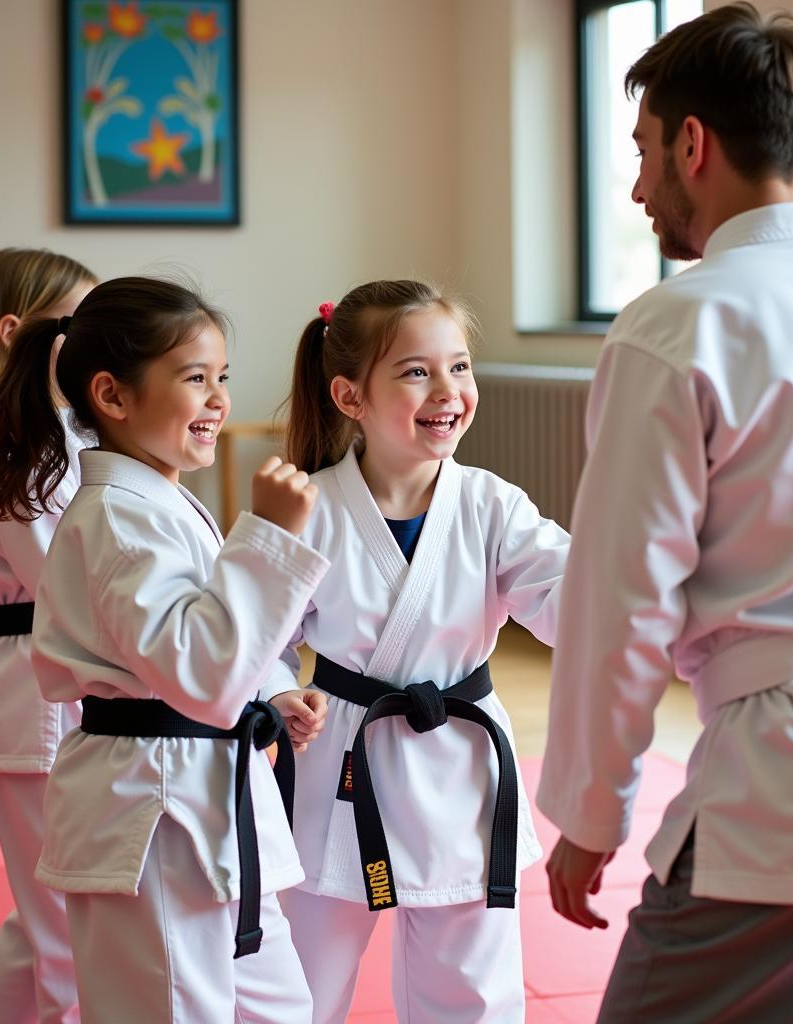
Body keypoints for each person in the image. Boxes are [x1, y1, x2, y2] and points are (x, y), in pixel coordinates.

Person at [537, 3, 793, 1022]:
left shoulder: (676, 325)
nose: (637, 189)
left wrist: (593, 812)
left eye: (641, 154)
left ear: (694, 143)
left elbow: (623, 599)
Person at [0, 276, 330, 1023]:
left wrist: (270, 692)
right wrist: (267, 537)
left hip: (206, 792)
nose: (219, 399)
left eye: (222, 377)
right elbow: (196, 669)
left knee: (278, 1006)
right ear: (113, 395)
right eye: (195, 378)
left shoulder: (158, 500)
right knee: (170, 1008)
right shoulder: (115, 517)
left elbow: (208, 632)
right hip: (156, 813)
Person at [266, 279, 570, 1023]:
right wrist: (275, 690)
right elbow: (256, 635)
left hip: (461, 764)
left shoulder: (493, 505)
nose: (448, 390)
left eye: (460, 366)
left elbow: (573, 600)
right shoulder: (308, 507)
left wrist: (637, 584)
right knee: (302, 987)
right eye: (415, 371)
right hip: (337, 761)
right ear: (348, 396)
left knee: (473, 991)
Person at [0, 246, 96, 1024]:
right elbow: (62, 579)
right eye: (82, 323)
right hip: (35, 686)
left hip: (52, 676)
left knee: (47, 911)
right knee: (67, 927)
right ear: (17, 331)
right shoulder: (12, 446)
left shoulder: (64, 435)